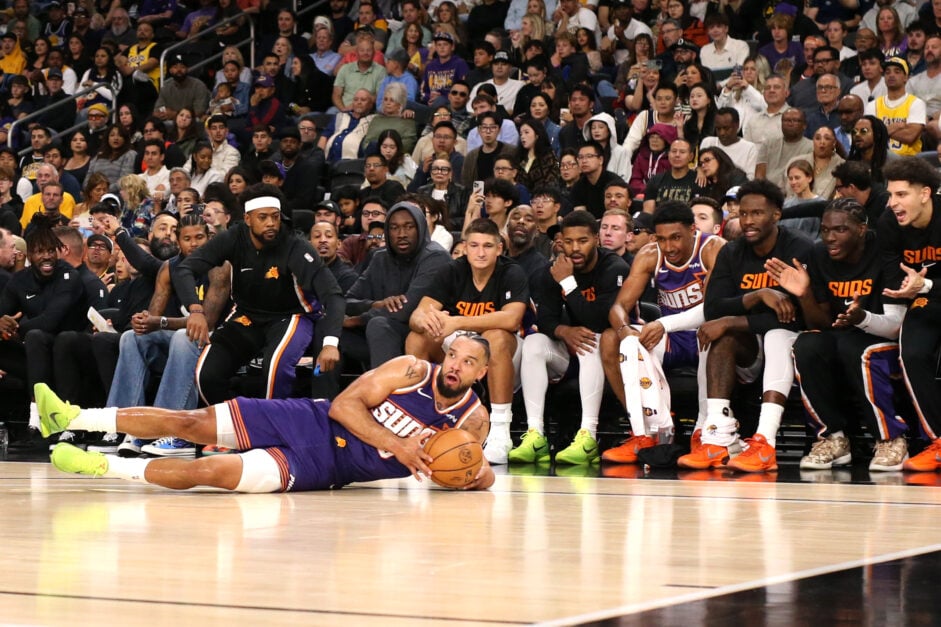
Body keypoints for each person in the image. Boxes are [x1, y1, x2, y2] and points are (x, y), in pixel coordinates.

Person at [39, 334, 495, 492]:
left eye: (468, 362)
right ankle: (74, 417)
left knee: (214, 472)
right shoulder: (410, 369)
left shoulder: (472, 420)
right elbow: (343, 405)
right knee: (190, 423)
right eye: (454, 355)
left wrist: (466, 473)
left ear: (482, 371)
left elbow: (480, 474)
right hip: (312, 418)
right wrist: (398, 445)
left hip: (325, 466)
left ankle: (104, 466)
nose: (455, 365)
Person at [678, 179, 814, 473]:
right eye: (743, 213)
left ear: (776, 214)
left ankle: (765, 442)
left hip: (794, 347)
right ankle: (718, 436)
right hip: (751, 347)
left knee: (777, 334)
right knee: (723, 335)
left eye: (757, 213)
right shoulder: (732, 252)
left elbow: (794, 317)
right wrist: (756, 296)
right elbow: (713, 308)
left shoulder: (798, 248)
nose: (748, 221)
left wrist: (732, 319)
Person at [764, 198, 908, 472]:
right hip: (842, 335)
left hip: (886, 338)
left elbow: (895, 326)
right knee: (806, 344)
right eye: (825, 230)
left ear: (862, 230)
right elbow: (820, 323)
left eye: (840, 230)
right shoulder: (818, 256)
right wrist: (804, 294)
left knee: (856, 349)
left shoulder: (882, 250)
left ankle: (891, 438)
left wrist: (862, 318)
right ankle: (833, 438)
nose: (830, 237)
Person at [175, 185, 345, 404]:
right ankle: (234, 427)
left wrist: (330, 343)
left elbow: (333, 295)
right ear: (247, 219)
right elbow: (184, 269)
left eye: (275, 217)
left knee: (275, 369)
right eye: (263, 217)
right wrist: (195, 309)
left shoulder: (296, 246)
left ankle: (271, 430)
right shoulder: (233, 238)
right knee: (206, 374)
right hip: (248, 315)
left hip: (292, 316)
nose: (271, 224)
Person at [601, 201, 725, 463]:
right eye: (662, 239)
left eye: (676, 238)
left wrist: (663, 324)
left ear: (692, 230)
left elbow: (713, 308)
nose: (668, 247)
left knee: (713, 334)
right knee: (615, 341)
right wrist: (625, 331)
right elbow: (618, 308)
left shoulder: (713, 248)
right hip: (672, 339)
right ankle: (645, 433)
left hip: (708, 332)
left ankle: (704, 433)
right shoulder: (650, 254)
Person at [405, 218, 531, 464]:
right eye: (474, 245)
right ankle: (420, 418)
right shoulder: (453, 270)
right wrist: (426, 321)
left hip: (507, 355)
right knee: (417, 337)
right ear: (465, 246)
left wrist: (458, 322)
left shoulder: (512, 272)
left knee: (494, 337)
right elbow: (417, 315)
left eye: (487, 246)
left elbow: (512, 319)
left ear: (499, 249)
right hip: (462, 351)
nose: (480, 252)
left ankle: (500, 431)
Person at [511, 211, 629, 464]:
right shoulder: (550, 272)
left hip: (611, 353)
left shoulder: (614, 267)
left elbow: (601, 320)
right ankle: (535, 435)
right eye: (569, 241)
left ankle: (588, 435)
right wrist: (564, 331)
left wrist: (568, 282)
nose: (575, 248)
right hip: (569, 349)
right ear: (560, 242)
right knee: (533, 343)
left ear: (596, 240)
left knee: (592, 339)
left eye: (583, 240)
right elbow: (545, 320)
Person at [876, 158, 941, 473]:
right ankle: (939, 440)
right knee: (912, 352)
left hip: (929, 289)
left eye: (901, 195)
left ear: (925, 194)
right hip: (925, 299)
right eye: (890, 195)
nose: (893, 203)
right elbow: (892, 274)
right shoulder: (888, 223)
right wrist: (907, 288)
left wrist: (925, 283)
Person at [865, 57, 926, 157]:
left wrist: (880, 131)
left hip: (908, 160)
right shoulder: (873, 105)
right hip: (880, 159)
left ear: (906, 77)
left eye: (897, 72)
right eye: (887, 72)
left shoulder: (916, 103)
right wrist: (896, 126)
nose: (891, 75)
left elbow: (910, 137)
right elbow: (868, 137)